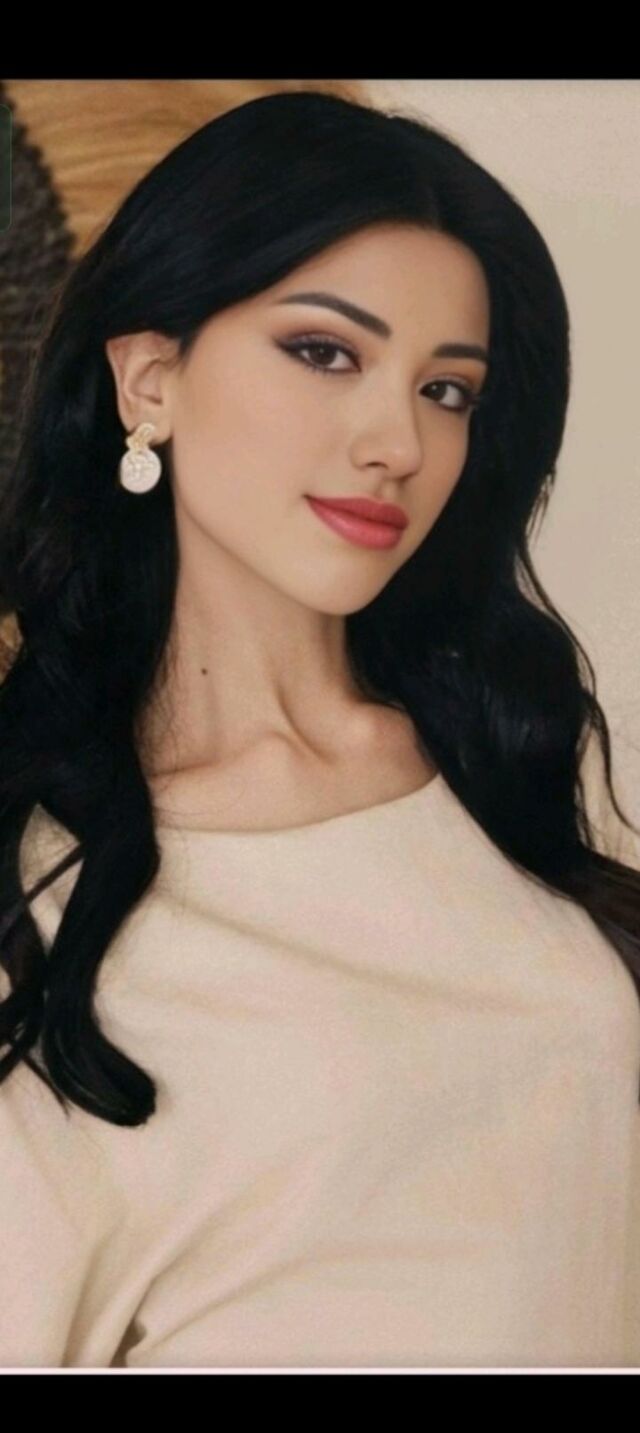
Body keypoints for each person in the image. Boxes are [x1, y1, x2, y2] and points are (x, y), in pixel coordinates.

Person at [0, 88, 639, 1371]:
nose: (396, 441)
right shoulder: (38, 889)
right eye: (325, 352)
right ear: (150, 379)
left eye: (447, 389)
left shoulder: (509, 750)